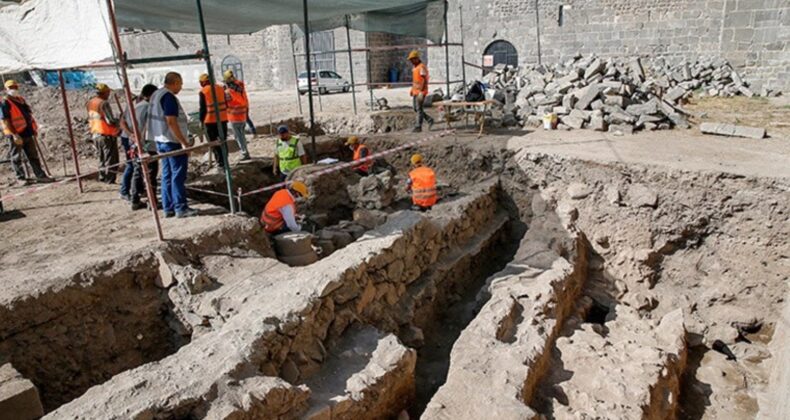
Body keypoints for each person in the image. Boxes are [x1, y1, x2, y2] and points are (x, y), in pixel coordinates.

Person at [148, 72, 198, 218]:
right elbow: (171, 121)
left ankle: (168, 207)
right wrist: (184, 142)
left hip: (160, 140)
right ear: (175, 82)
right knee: (178, 175)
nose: (181, 87)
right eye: (181, 84)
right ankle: (180, 207)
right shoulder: (168, 97)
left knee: (167, 175)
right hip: (171, 141)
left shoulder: (156, 95)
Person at [1, 80, 52, 185]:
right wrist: (14, 135)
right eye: (11, 87)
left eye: (15, 87)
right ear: (6, 89)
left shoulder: (21, 100)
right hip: (16, 134)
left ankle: (40, 175)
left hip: (27, 132)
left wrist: (33, 130)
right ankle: (20, 178)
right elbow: (5, 120)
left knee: (33, 155)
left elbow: (28, 116)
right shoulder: (5, 102)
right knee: (16, 157)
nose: (13, 89)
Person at [119, 84, 159, 210]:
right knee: (151, 173)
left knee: (137, 171)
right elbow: (146, 127)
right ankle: (151, 201)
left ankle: (135, 200)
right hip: (146, 144)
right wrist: (142, 143)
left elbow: (123, 121)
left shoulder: (135, 106)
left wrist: (132, 137)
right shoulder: (149, 108)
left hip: (135, 143)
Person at [87, 83, 121, 183]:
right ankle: (110, 179)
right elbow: (110, 120)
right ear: (104, 93)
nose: (109, 94)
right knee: (111, 158)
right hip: (106, 134)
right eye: (108, 92)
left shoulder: (90, 103)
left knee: (101, 157)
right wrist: (119, 121)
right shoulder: (103, 103)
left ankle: (102, 176)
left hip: (95, 133)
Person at [198, 73, 229, 172]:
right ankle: (225, 162)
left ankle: (220, 164)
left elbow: (203, 109)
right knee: (223, 141)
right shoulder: (220, 88)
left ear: (203, 82)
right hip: (222, 119)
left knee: (214, 143)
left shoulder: (204, 91)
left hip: (210, 121)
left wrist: (201, 121)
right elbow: (226, 103)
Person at [223, 70, 251, 160]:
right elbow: (246, 100)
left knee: (238, 136)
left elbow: (225, 103)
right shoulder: (241, 87)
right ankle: (245, 151)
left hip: (234, 117)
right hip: (243, 115)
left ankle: (244, 153)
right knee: (242, 135)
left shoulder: (228, 91)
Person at [407, 50, 434, 132]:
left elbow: (423, 80)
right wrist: (412, 90)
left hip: (420, 92)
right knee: (416, 108)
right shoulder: (415, 68)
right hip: (416, 91)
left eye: (412, 59)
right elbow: (415, 80)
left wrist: (421, 92)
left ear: (416, 58)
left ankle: (418, 126)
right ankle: (429, 119)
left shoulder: (421, 67)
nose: (411, 61)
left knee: (419, 108)